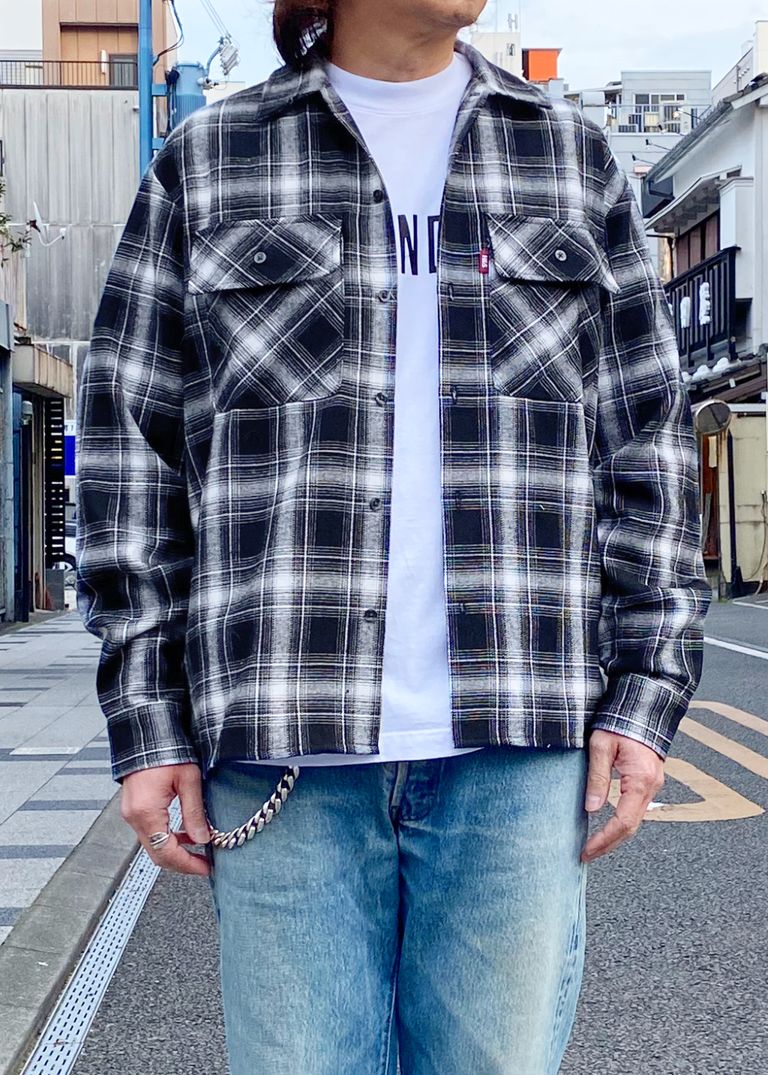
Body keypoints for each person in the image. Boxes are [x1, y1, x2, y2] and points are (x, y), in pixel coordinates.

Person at [75, 1, 711, 1071]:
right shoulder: (211, 161)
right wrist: (148, 719)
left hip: (518, 746)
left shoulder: (571, 160)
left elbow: (646, 441)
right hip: (285, 748)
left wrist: (646, 695)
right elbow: (129, 446)